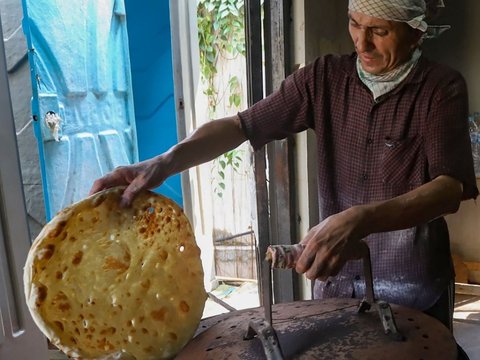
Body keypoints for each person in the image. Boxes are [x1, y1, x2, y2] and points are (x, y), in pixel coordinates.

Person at [90, 0, 478, 343]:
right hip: (338, 284)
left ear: (415, 32)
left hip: (411, 285)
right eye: (354, 24)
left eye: (379, 31)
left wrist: (360, 219)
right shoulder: (324, 79)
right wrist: (165, 161)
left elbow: (449, 188)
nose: (361, 43)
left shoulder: (440, 88)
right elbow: (240, 125)